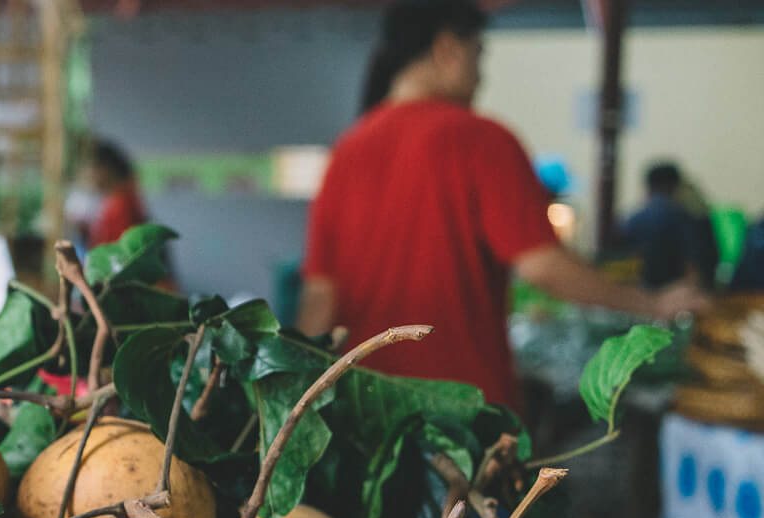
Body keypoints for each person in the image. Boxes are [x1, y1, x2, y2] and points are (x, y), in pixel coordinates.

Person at [298, 0, 706, 412]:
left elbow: (319, 302)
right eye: (479, 56)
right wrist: (652, 304)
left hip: (365, 415)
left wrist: (291, 407)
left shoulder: (346, 154)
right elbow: (544, 266)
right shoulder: (479, 140)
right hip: (467, 418)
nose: (481, 76)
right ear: (447, 49)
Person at [619, 163, 716, 289]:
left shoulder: (630, 219)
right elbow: (693, 264)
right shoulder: (686, 218)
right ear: (675, 186)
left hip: (639, 293)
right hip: (675, 294)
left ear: (648, 187)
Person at [86, 140, 148, 248]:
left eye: (92, 169)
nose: (89, 175)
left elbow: (117, 252)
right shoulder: (123, 196)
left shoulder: (120, 204)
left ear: (105, 170)